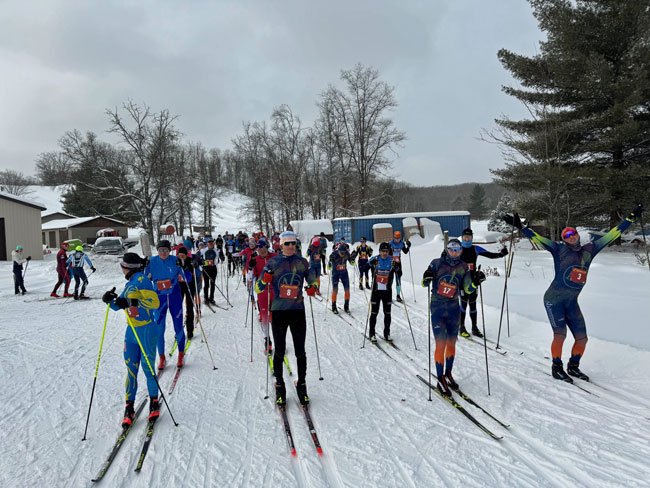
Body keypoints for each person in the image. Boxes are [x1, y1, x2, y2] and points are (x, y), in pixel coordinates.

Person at [504, 204, 643, 382]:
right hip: (554, 300)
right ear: (563, 239)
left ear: (578, 235)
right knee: (560, 335)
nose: (570, 237)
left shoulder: (589, 250)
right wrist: (521, 227)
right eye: (566, 236)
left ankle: (573, 366)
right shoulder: (558, 249)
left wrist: (630, 217)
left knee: (582, 338)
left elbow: (612, 234)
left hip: (571, 302)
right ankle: (556, 367)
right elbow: (538, 238)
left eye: (573, 234)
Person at [255, 231, 318, 406]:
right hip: (279, 311)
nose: (291, 247)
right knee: (280, 350)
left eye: (293, 243)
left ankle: (302, 384)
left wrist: (313, 287)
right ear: (280, 245)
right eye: (287, 244)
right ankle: (280, 385)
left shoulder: (302, 262)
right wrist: (265, 280)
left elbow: (313, 280)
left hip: (297, 311)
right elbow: (258, 288)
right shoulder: (273, 262)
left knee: (300, 351)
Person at [102, 252, 161, 427]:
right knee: (131, 370)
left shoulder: (142, 280)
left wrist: (131, 302)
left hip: (147, 331)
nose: (121, 269)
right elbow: (121, 304)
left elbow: (154, 302)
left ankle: (154, 402)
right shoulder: (131, 283)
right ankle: (129, 407)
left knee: (148, 369)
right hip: (132, 332)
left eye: (123, 266)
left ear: (129, 268)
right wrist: (110, 301)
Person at [422, 238, 485, 397]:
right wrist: (427, 276)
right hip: (437, 307)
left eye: (457, 250)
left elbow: (467, 289)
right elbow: (424, 283)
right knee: (441, 343)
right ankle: (440, 377)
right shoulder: (437, 263)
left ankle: (448, 373)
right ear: (447, 249)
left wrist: (476, 282)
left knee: (451, 343)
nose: (454, 252)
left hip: (453, 308)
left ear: (461, 251)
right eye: (451, 249)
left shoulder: (463, 267)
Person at [457, 228, 508, 338]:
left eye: (469, 237)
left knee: (473, 304)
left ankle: (474, 328)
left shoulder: (476, 249)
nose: (467, 239)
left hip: (473, 280)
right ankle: (461, 327)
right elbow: (447, 259)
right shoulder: (458, 249)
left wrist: (501, 254)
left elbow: (490, 254)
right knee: (464, 304)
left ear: (472, 238)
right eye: (465, 237)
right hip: (462, 280)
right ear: (462, 237)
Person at [144, 239, 186, 370]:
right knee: (159, 330)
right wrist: (142, 266)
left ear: (170, 250)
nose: (163, 252)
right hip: (159, 300)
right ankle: (161, 357)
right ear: (157, 250)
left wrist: (186, 265)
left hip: (174, 298)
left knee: (178, 327)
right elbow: (143, 278)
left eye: (166, 250)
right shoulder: (152, 262)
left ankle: (180, 354)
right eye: (161, 250)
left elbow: (188, 278)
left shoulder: (175, 260)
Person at [248, 237, 278, 353]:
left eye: (263, 247)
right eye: (259, 248)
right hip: (262, 291)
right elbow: (250, 278)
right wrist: (250, 267)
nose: (261, 250)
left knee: (276, 316)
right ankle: (267, 340)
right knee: (265, 316)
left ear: (267, 247)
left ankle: (278, 340)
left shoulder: (275, 257)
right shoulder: (255, 259)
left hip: (275, 290)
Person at [367, 242, 396, 342]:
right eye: (382, 251)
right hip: (376, 291)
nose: (384, 253)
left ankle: (386, 333)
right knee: (374, 313)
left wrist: (396, 267)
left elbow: (398, 270)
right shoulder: (375, 259)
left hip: (387, 291)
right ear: (379, 251)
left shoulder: (391, 260)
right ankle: (372, 334)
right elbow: (364, 268)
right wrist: (371, 264)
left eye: (386, 251)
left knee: (387, 313)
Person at [327, 242, 355, 314]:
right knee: (335, 290)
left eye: (344, 253)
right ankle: (333, 306)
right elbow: (329, 267)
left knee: (347, 289)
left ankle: (346, 306)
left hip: (344, 273)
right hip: (335, 274)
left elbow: (352, 264)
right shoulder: (334, 254)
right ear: (338, 251)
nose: (342, 255)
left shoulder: (346, 254)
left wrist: (353, 258)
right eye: (341, 253)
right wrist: (330, 261)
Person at [176, 246, 196, 340]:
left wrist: (185, 267)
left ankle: (189, 330)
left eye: (183, 256)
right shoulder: (176, 262)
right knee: (178, 309)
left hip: (189, 287)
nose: (181, 258)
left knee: (189, 308)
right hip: (179, 288)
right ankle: (178, 330)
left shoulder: (190, 261)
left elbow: (189, 277)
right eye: (179, 256)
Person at [389, 231, 411, 302]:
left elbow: (405, 251)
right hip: (391, 263)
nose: (397, 240)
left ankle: (398, 296)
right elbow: (388, 255)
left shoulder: (402, 243)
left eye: (398, 239)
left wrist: (409, 246)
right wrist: (392, 259)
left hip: (398, 263)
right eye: (396, 238)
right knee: (391, 279)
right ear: (394, 237)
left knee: (398, 279)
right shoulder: (390, 244)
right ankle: (389, 295)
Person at [201, 237, 223, 305]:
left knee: (212, 283)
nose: (211, 244)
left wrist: (222, 256)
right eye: (209, 243)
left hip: (213, 268)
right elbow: (197, 257)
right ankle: (206, 298)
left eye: (212, 243)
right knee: (206, 284)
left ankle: (211, 298)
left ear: (213, 244)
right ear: (207, 244)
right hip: (205, 268)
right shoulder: (203, 250)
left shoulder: (217, 250)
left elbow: (222, 257)